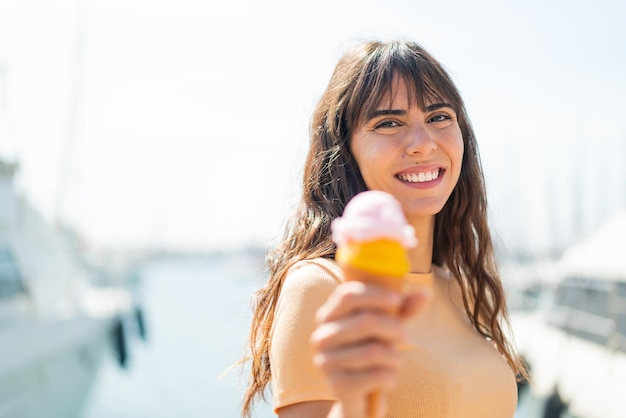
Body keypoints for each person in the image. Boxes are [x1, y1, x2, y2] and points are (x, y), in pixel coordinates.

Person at [239, 39, 528, 418]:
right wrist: (355, 403)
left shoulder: (463, 289)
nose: (423, 144)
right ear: (346, 150)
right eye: (388, 123)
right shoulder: (322, 286)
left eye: (439, 117)